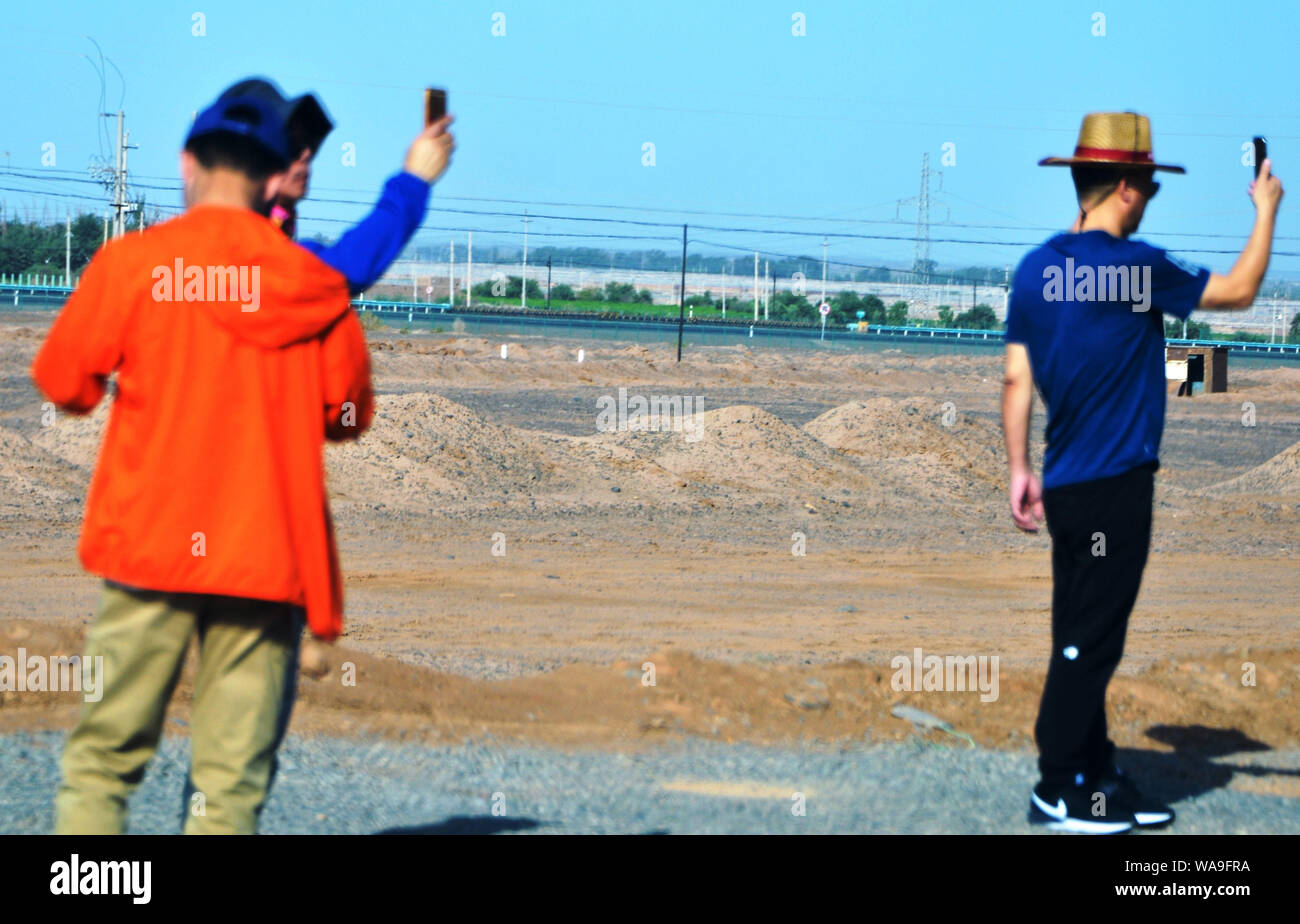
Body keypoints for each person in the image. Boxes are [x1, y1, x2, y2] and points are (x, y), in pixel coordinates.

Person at [31, 79, 445, 834]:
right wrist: (412, 182)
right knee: (228, 787)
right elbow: (347, 415)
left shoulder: (132, 266)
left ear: (189, 163)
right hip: (265, 565)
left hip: (147, 553)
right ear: (272, 174)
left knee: (100, 765)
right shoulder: (314, 285)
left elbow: (65, 384)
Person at [1001, 111, 1283, 834]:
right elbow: (1242, 291)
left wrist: (1018, 468)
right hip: (1116, 484)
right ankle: (1058, 787)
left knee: (1081, 627)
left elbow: (1015, 381)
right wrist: (1267, 210)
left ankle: (1096, 775)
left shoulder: (1037, 271)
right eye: (1150, 186)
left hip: (1064, 481)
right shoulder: (1136, 271)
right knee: (1089, 641)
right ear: (1126, 186)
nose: (1152, 198)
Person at [217, 77, 453, 293]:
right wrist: (414, 180)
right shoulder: (234, 255)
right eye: (290, 144)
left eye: (309, 144)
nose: (307, 153)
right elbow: (342, 270)